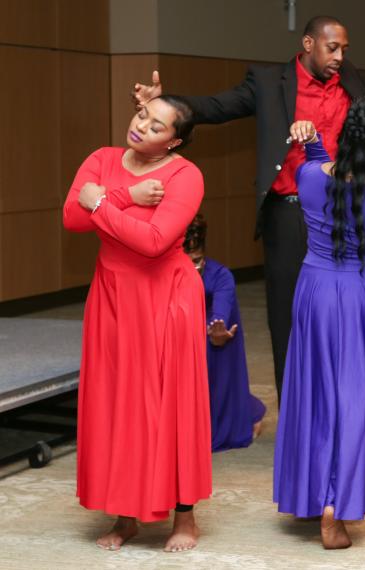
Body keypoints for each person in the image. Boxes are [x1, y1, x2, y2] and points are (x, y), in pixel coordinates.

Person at [133, 15, 365, 404]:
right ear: (308, 45)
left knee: (343, 312)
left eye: (345, 49)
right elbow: (214, 107)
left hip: (344, 212)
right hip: (289, 211)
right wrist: (160, 103)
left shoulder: (351, 81)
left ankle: (342, 402)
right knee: (288, 315)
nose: (340, 56)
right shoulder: (267, 83)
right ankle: (295, 405)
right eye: (332, 48)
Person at [63, 95, 211, 552]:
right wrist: (124, 196)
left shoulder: (184, 175)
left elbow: (152, 241)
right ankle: (126, 515)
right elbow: (72, 217)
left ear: (175, 141)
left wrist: (101, 204)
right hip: (112, 295)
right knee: (118, 402)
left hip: (165, 296)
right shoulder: (101, 158)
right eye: (143, 116)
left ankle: (184, 517)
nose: (141, 126)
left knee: (170, 402)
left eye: (156, 126)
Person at [273, 96, 365, 549]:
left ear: (346, 134)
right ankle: (338, 504)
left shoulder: (309, 177)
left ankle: (313, 494)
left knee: (315, 394)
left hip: (315, 290)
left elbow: (322, 175)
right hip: (363, 294)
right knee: (355, 397)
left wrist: (315, 146)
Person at [183, 214, 266, 451]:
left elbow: (221, 311)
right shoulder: (168, 273)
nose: (194, 268)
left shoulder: (220, 275)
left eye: (198, 260)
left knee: (209, 347)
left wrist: (216, 328)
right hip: (182, 334)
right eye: (187, 261)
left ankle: (247, 412)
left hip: (209, 336)